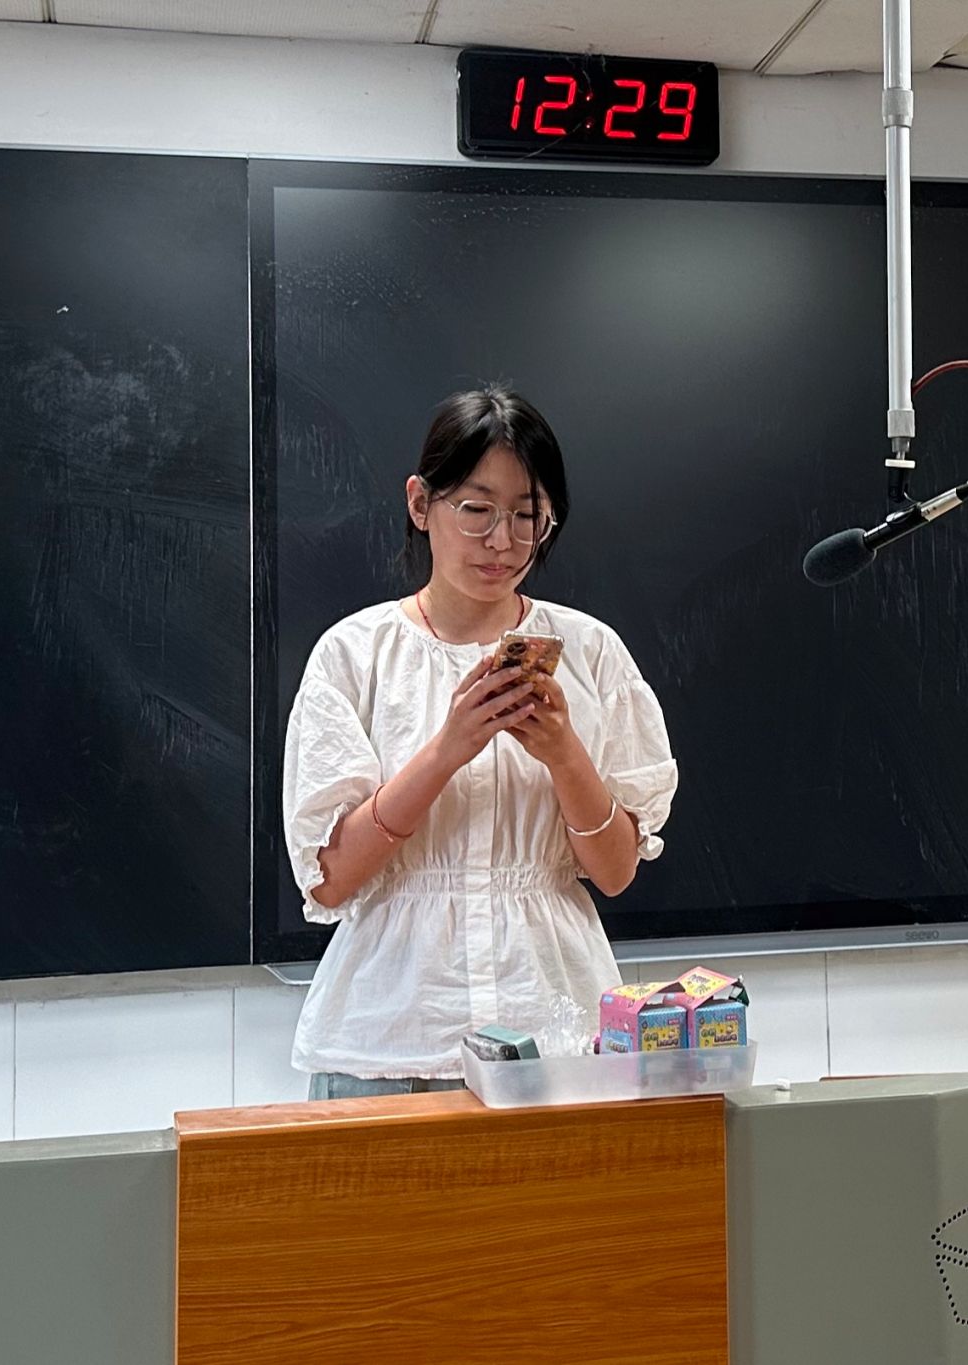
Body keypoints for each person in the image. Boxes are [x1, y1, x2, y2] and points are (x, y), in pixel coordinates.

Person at [282, 386, 678, 1099]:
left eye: (528, 516)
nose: (503, 541)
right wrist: (446, 751)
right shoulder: (355, 654)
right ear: (420, 503)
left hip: (551, 1034)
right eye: (476, 510)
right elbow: (331, 876)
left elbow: (616, 871)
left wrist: (564, 753)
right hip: (387, 1046)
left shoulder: (590, 652)